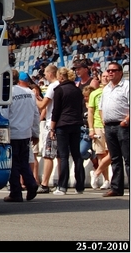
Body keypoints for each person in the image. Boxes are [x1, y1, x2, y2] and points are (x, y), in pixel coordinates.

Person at [1, 70, 40, 202]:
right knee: (23, 162)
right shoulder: (29, 92)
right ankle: (31, 183)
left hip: (12, 133)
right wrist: (35, 133)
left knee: (13, 164)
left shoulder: (7, 93)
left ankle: (16, 192)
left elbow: (4, 115)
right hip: (26, 133)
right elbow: (36, 115)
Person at [49, 67, 86, 195]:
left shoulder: (59, 90)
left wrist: (52, 128)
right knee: (77, 155)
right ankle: (80, 185)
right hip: (76, 123)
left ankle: (62, 186)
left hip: (63, 124)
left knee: (64, 156)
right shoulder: (77, 90)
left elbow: (56, 111)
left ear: (61, 77)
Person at [99, 62, 129, 197]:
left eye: (114, 70)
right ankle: (116, 187)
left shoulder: (127, 86)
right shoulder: (106, 89)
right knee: (115, 158)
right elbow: (101, 107)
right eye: (109, 70)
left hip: (123, 125)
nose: (110, 73)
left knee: (128, 158)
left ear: (120, 72)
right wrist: (103, 121)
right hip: (109, 126)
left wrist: (126, 121)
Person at [36, 64, 60, 193]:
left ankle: (45, 183)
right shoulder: (61, 85)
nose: (44, 75)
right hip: (60, 123)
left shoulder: (52, 86)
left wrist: (34, 97)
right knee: (60, 155)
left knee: (48, 154)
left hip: (51, 123)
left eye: (45, 73)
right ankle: (61, 182)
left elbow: (42, 105)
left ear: (50, 74)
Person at [87, 71, 111, 190]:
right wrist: (91, 128)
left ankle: (96, 172)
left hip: (110, 124)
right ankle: (106, 180)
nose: (106, 78)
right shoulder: (95, 94)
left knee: (112, 152)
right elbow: (90, 112)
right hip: (98, 125)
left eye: (108, 76)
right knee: (101, 153)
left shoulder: (113, 91)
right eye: (104, 76)